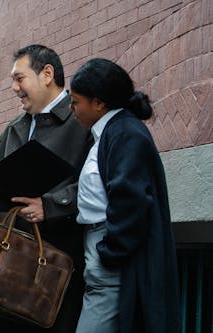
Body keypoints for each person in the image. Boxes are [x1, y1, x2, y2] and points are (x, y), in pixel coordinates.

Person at [0, 44, 92, 333]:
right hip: (5, 269)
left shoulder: (82, 124)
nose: (14, 87)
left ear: (46, 74)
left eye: (19, 78)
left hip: (55, 270)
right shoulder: (13, 129)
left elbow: (100, 187)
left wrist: (51, 205)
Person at [69, 58, 180, 333]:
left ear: (98, 103)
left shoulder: (124, 132)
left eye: (76, 101)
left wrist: (108, 252)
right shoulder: (109, 131)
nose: (72, 109)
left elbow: (131, 200)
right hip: (101, 248)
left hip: (109, 253)